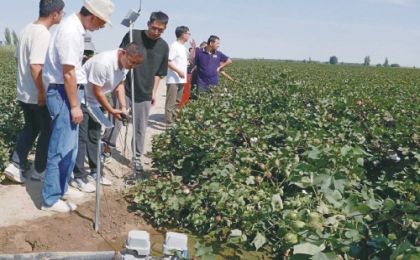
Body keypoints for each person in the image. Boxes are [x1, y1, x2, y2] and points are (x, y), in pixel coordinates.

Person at [41, 0, 114, 213]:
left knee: (70, 148)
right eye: (102, 22)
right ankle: (50, 199)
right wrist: (75, 106)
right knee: (60, 148)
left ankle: (61, 188)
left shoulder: (75, 29)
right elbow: (68, 73)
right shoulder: (71, 32)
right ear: (92, 15)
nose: (102, 26)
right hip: (64, 92)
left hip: (69, 91)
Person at [4, 0, 65, 184]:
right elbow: (36, 65)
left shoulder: (26, 30)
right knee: (46, 130)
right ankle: (39, 170)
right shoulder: (42, 34)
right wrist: (41, 92)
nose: (63, 16)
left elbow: (18, 61)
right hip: (36, 94)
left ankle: (15, 164)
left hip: (24, 92)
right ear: (54, 14)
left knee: (31, 127)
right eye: (62, 12)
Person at [102, 11, 169, 175]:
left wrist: (153, 93)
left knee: (140, 127)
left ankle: (137, 157)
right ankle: (106, 150)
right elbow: (120, 58)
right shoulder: (133, 34)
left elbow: (159, 74)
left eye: (160, 30)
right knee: (116, 118)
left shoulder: (163, 46)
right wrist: (118, 82)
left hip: (145, 92)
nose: (156, 32)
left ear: (165, 29)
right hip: (124, 86)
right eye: (154, 28)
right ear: (148, 24)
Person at [71, 43, 143, 192]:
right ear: (123, 53)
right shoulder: (103, 63)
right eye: (132, 62)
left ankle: (96, 172)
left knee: (94, 136)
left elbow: (119, 86)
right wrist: (111, 110)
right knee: (82, 138)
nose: (133, 66)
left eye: (136, 64)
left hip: (96, 103)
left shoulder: (125, 66)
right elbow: (97, 91)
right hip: (83, 100)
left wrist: (123, 107)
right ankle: (79, 177)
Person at [165, 26, 191, 124]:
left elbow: (190, 60)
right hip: (173, 79)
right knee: (171, 102)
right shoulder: (174, 46)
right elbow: (168, 62)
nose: (188, 35)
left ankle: (174, 119)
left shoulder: (183, 48)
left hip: (181, 79)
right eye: (188, 33)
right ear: (182, 34)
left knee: (177, 101)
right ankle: (168, 121)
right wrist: (179, 71)